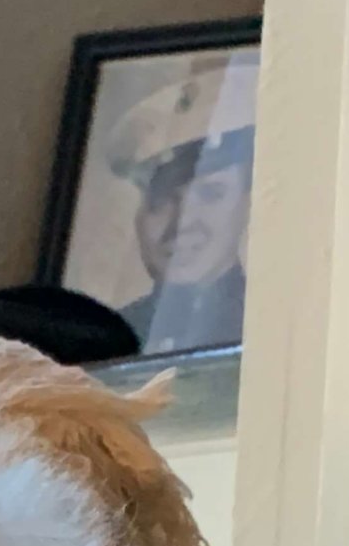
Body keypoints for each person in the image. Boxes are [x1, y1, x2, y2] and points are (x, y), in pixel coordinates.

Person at [107, 57, 255, 357]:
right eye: (161, 200)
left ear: (246, 207)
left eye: (211, 195)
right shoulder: (110, 341)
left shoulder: (273, 327)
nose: (182, 224)